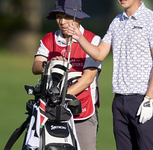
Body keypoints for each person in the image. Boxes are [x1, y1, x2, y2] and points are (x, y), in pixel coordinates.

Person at [67, 0, 153, 150]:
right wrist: (80, 37)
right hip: (119, 101)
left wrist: (149, 99)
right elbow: (99, 54)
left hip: (143, 98)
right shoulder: (116, 21)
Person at [32, 0, 102, 150]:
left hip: (82, 111)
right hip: (51, 111)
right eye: (58, 16)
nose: (62, 21)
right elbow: (36, 66)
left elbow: (87, 79)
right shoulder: (48, 39)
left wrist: (60, 98)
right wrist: (49, 64)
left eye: (67, 16)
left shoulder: (93, 40)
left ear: (79, 18)